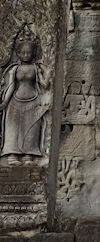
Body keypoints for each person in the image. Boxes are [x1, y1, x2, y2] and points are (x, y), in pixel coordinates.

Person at [0, 24, 50, 166]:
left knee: (31, 129)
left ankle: (29, 154)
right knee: (13, 129)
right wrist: (5, 102)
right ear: (18, 53)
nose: (26, 55)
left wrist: (45, 74)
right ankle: (12, 154)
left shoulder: (36, 68)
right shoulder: (14, 69)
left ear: (33, 54)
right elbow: (11, 86)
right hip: (15, 102)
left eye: (29, 53)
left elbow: (44, 85)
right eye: (23, 53)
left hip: (33, 101)